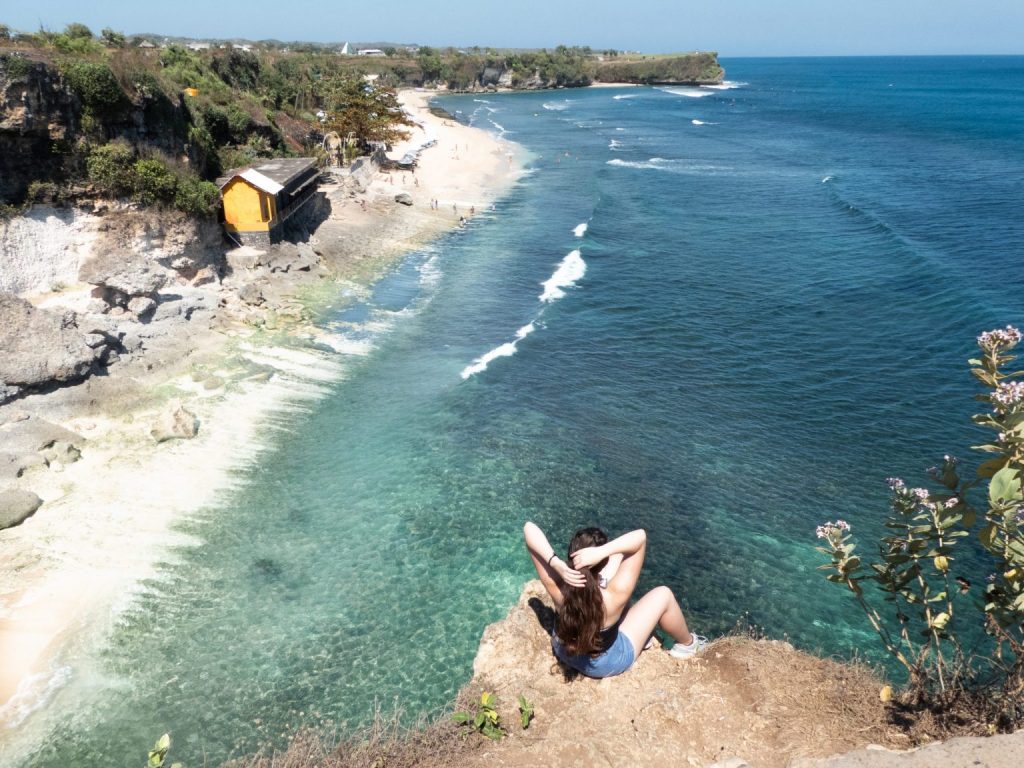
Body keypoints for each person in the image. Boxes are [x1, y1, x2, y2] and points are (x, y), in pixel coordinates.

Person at [523, 521, 706, 678]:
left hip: (566, 651)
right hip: (604, 664)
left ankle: (641, 633)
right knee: (663, 594)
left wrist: (556, 563)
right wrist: (603, 551)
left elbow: (529, 528)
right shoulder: (615, 594)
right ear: (600, 565)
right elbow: (640, 537)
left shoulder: (558, 587)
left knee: (618, 556)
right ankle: (688, 645)